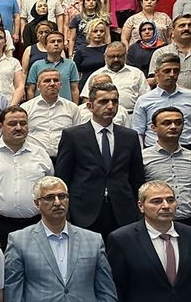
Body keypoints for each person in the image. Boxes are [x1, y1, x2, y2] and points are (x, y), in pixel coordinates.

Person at [56, 81, 145, 238]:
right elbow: (63, 178)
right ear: (89, 106)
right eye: (103, 101)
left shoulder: (129, 136)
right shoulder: (73, 136)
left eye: (114, 101)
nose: (110, 106)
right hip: (83, 211)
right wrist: (67, 213)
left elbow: (137, 178)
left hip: (123, 212)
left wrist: (139, 211)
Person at [0, 106, 53, 248]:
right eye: (12, 124)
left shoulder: (41, 154)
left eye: (23, 123)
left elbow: (50, 190)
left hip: (34, 225)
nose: (19, 128)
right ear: (0, 127)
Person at [143, 108, 191, 223]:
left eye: (178, 123)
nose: (174, 126)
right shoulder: (142, 157)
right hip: (156, 221)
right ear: (153, 127)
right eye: (167, 123)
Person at [133, 53, 191, 148]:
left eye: (176, 70)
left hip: (186, 148)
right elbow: (138, 131)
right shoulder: (144, 100)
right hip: (153, 149)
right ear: (156, 73)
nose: (172, 74)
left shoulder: (189, 96)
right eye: (167, 71)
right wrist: (141, 153)